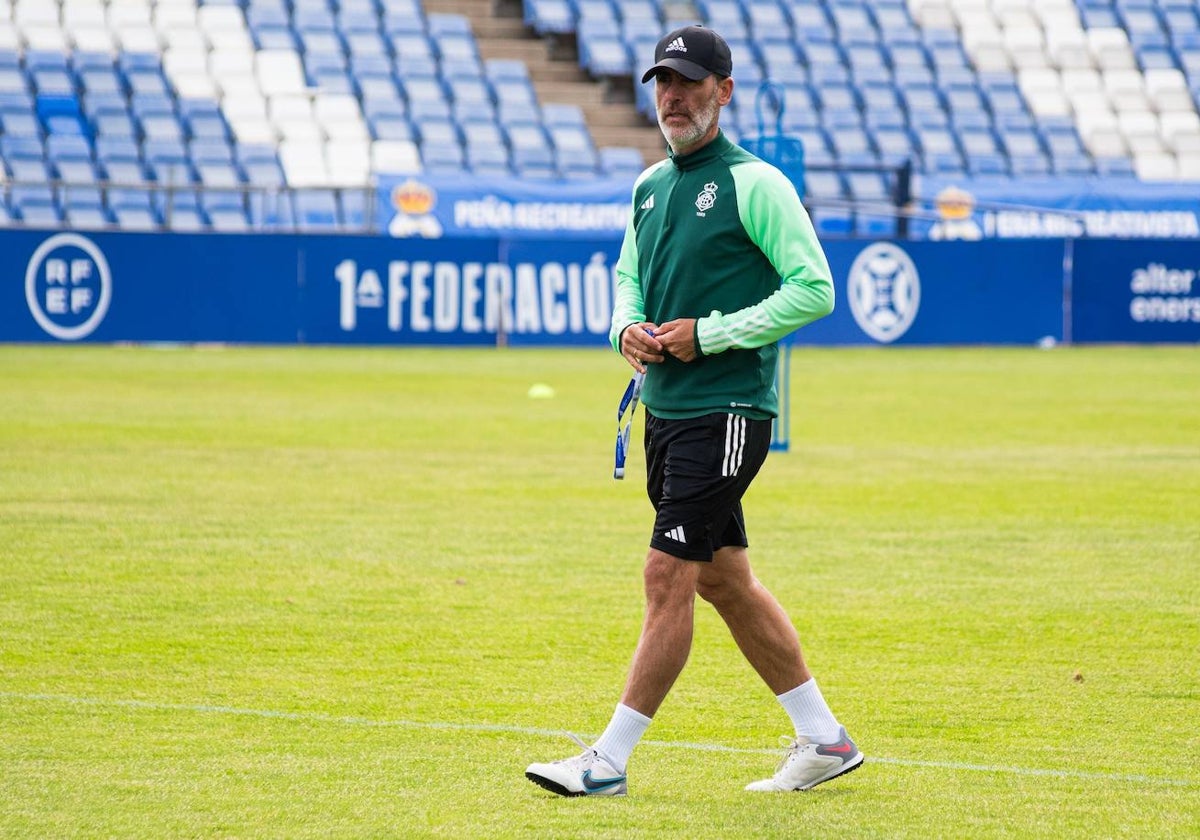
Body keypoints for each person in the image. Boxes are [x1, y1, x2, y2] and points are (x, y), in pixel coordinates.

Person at [525, 24, 862, 797]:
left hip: (730, 406)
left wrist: (709, 335)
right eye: (662, 84)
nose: (672, 97)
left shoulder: (757, 183)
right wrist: (626, 329)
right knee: (724, 580)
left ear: (724, 91)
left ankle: (607, 760)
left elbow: (814, 288)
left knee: (667, 573)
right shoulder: (649, 186)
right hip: (667, 409)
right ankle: (825, 739)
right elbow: (627, 277)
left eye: (688, 82)